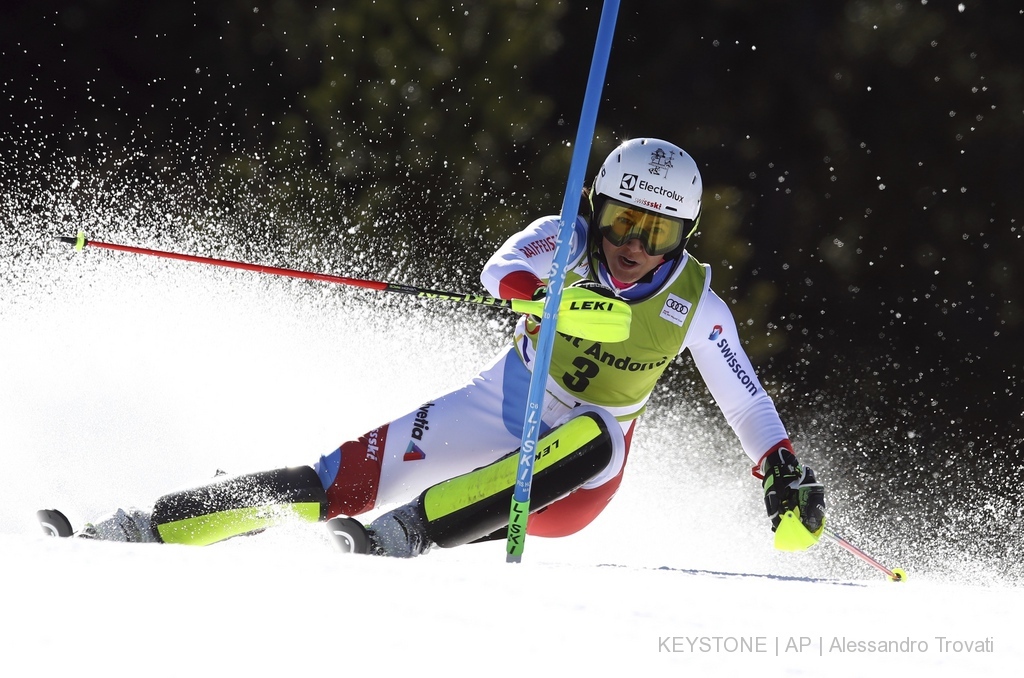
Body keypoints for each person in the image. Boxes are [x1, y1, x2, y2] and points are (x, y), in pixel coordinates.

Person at [79, 138, 826, 557]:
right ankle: (149, 526)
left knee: (597, 435)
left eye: (656, 234)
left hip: (574, 481)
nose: (632, 247)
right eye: (623, 222)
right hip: (500, 404)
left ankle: (406, 536)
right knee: (339, 477)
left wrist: (780, 467)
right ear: (597, 209)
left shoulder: (698, 303)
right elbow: (500, 268)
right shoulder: (565, 236)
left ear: (684, 236)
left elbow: (747, 400)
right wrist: (540, 293)